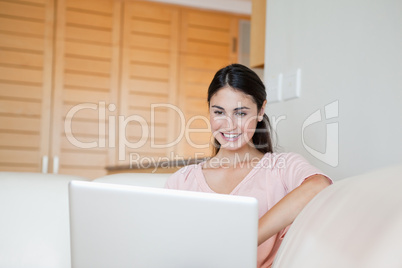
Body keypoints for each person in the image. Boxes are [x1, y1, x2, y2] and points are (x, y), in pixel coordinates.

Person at [165, 63, 332, 268]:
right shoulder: (182, 181)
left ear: (261, 110)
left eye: (241, 113)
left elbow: (319, 186)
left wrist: (243, 240)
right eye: (219, 112)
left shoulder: (281, 167)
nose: (230, 125)